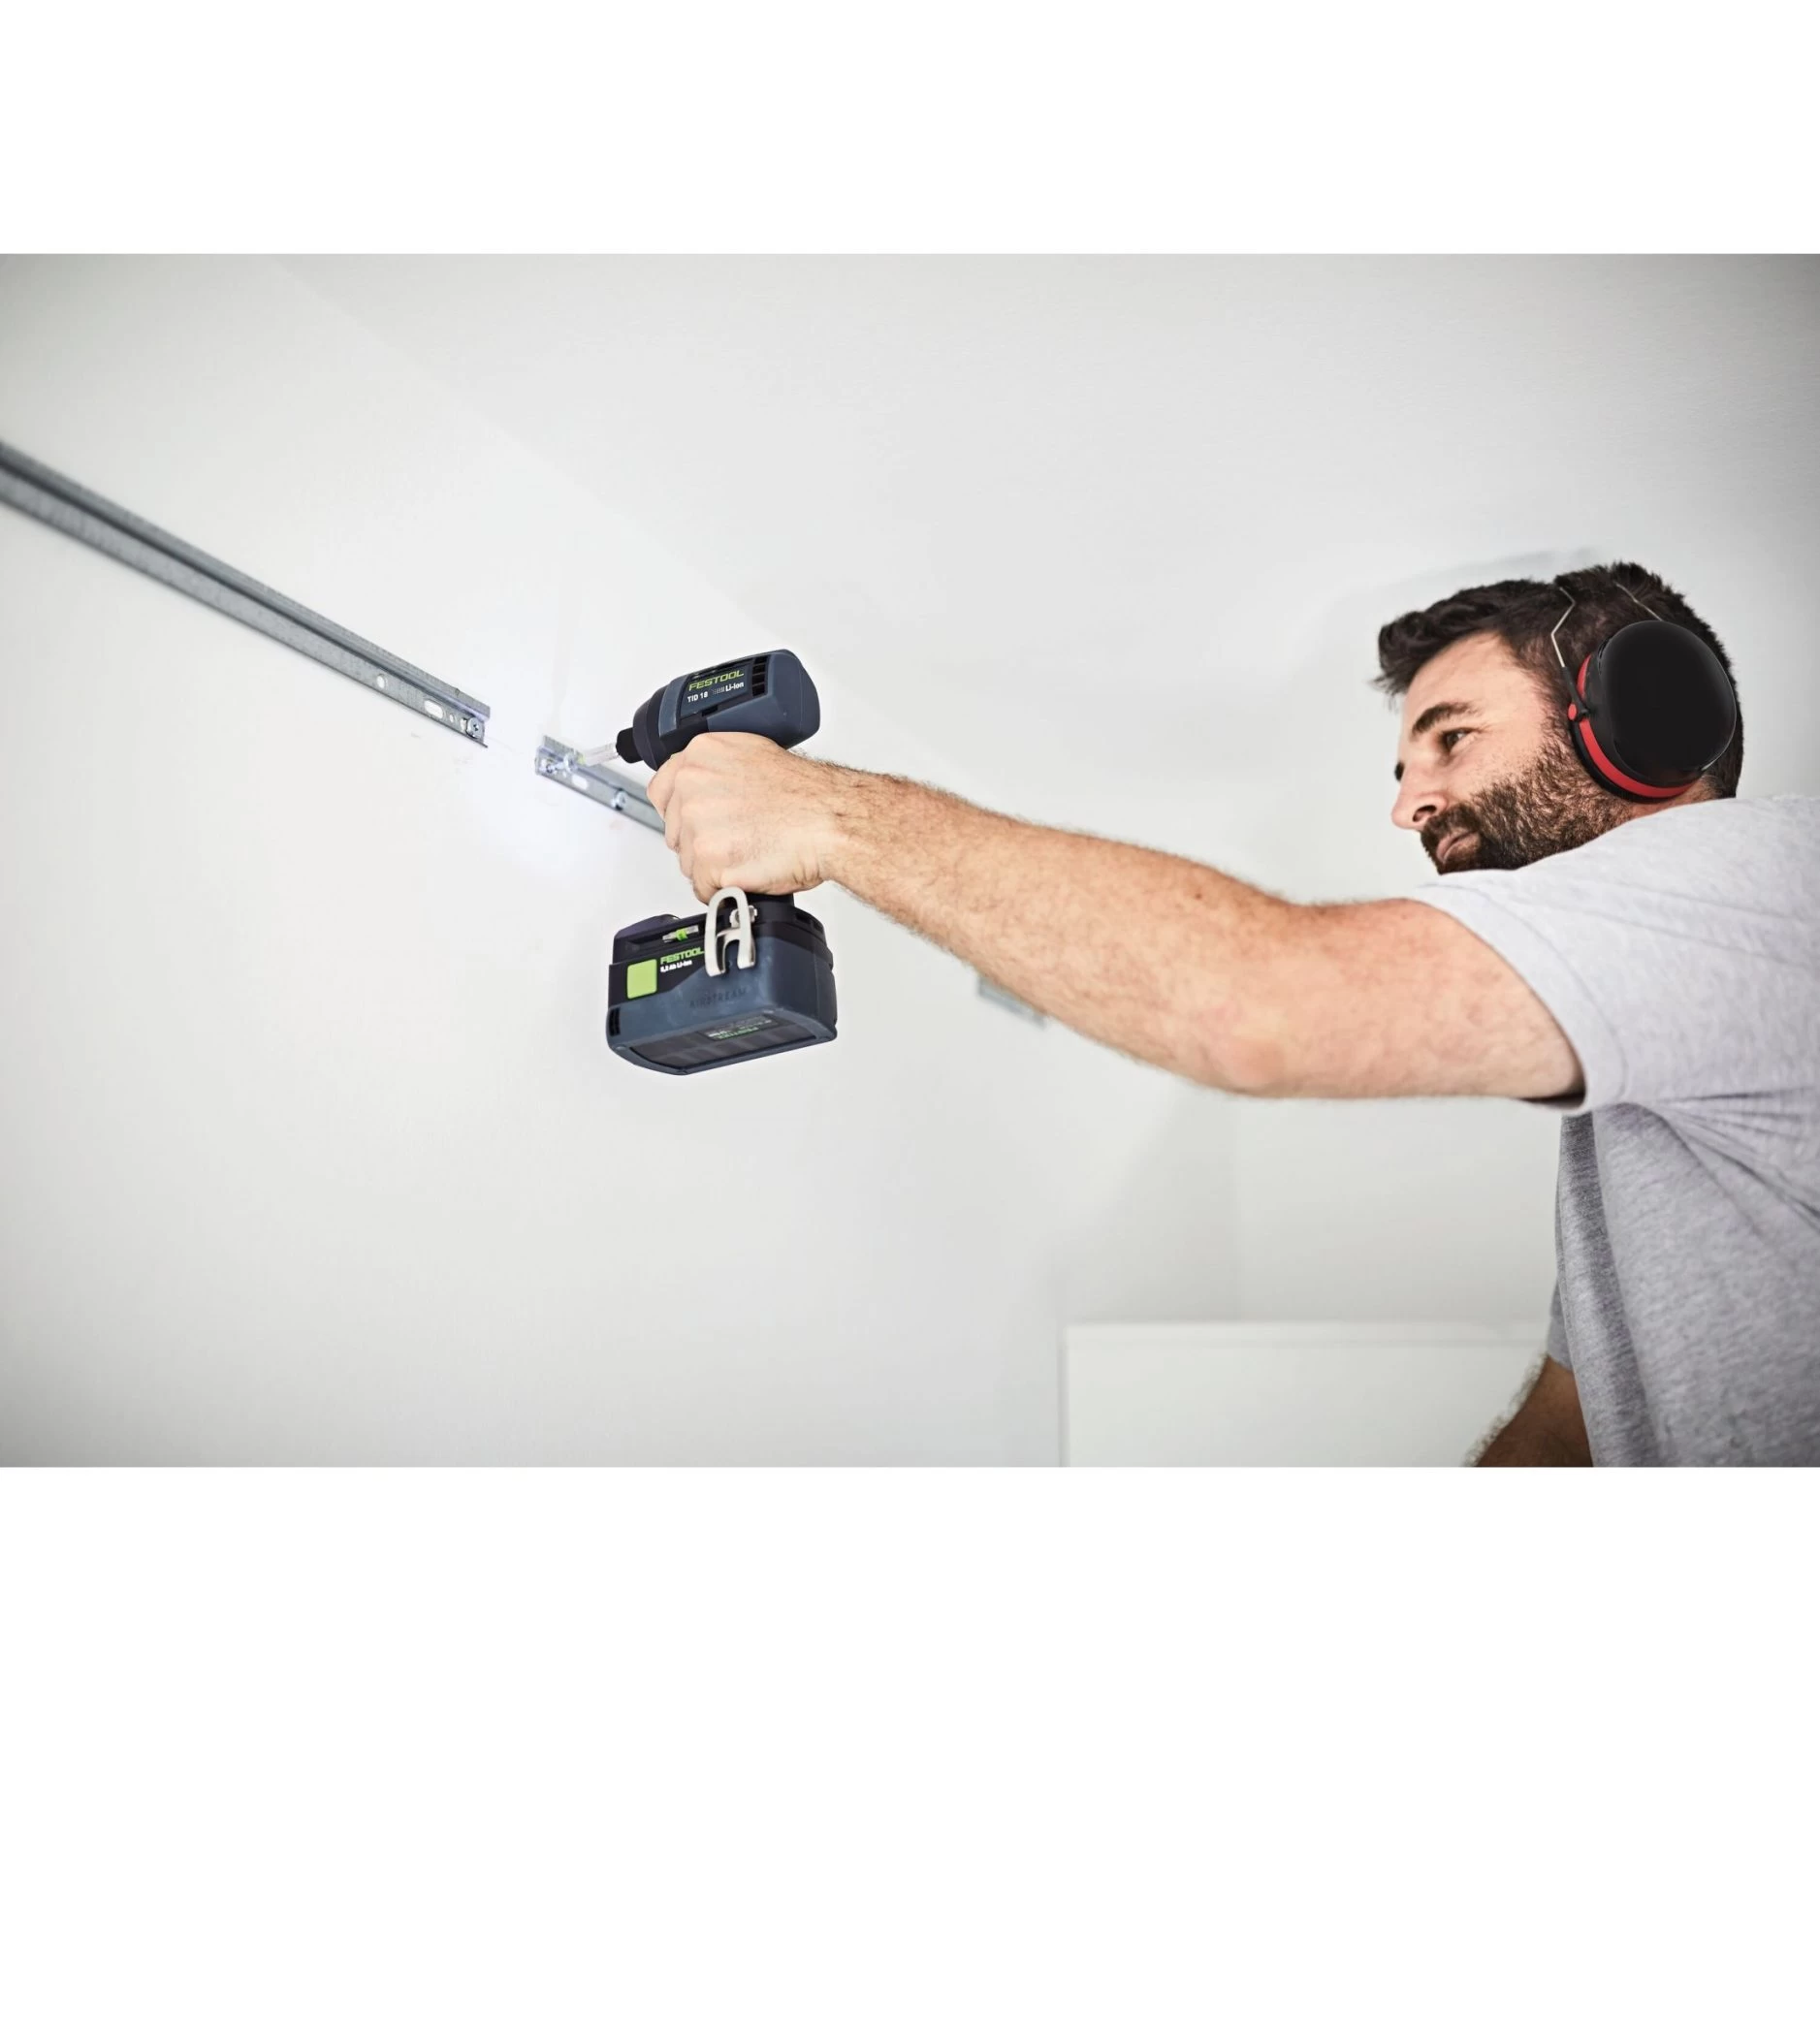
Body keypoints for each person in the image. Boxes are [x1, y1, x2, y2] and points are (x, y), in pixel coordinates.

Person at [647, 562, 1820, 1466]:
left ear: (1644, 716)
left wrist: (829, 814)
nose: (1409, 804)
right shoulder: (1656, 1071)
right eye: (1405, 767)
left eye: (1451, 736)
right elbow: (1576, 1414)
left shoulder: (1766, 874)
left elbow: (1259, 1006)